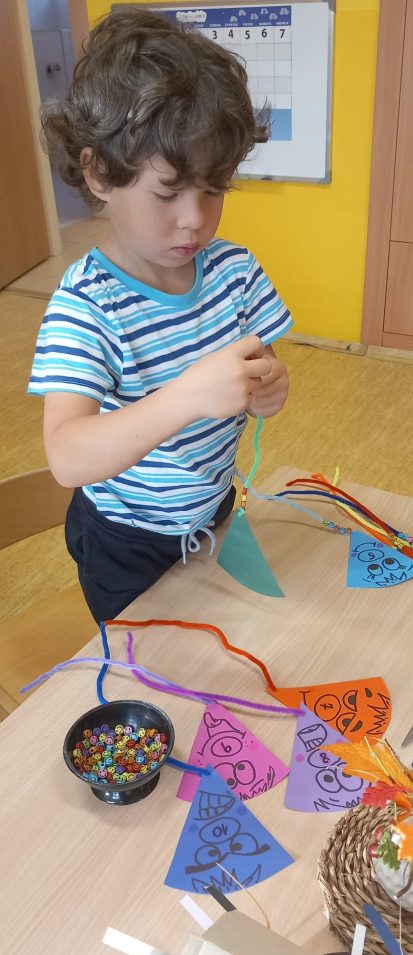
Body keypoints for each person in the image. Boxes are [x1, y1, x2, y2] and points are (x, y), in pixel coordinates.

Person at [29, 8, 293, 623]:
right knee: (152, 667)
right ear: (98, 173)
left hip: (213, 510)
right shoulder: (87, 304)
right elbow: (67, 455)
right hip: (125, 540)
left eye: (213, 189)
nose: (194, 219)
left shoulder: (234, 270)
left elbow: (264, 365)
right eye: (168, 193)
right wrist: (187, 397)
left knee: (227, 640)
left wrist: (268, 387)